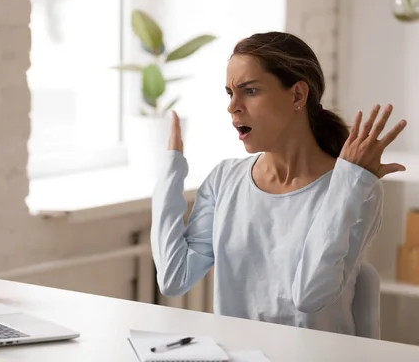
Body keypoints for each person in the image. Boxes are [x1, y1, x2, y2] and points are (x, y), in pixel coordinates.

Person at [150, 31, 407, 335]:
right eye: (230, 93)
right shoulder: (225, 180)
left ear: (298, 95)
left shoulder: (356, 190)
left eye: (250, 91)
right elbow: (173, 277)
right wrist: (170, 168)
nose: (233, 106)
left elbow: (309, 295)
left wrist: (348, 184)